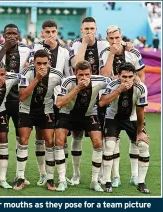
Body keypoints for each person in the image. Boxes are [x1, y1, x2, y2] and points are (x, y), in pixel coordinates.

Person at [100, 25, 145, 187]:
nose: (114, 41)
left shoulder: (133, 52)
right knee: (113, 142)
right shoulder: (105, 53)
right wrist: (112, 53)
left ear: (121, 37)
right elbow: (104, 75)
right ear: (107, 39)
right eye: (111, 39)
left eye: (117, 38)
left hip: (131, 103)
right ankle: (116, 176)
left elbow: (141, 74)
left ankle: (134, 175)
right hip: (112, 101)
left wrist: (139, 93)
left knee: (136, 141)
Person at [28, 20, 72, 186]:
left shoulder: (64, 52)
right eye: (47, 32)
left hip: (59, 100)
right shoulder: (35, 50)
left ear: (57, 32)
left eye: (53, 31)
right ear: (42, 33)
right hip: (41, 98)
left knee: (61, 137)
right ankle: (43, 174)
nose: (51, 35)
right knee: (41, 135)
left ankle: (63, 173)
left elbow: (68, 76)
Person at [55, 60, 110, 192]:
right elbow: (59, 103)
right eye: (81, 75)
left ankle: (94, 181)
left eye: (87, 74)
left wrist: (135, 78)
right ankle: (63, 179)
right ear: (75, 74)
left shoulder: (99, 80)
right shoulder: (68, 82)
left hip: (88, 113)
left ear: (91, 73)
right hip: (67, 113)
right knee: (59, 141)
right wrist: (78, 88)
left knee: (98, 142)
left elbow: (113, 81)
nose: (84, 78)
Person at [14, 49, 63, 191]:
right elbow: (22, 97)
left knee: (49, 141)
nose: (42, 66)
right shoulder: (26, 73)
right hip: (26, 109)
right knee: (23, 141)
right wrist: (37, 79)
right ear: (33, 62)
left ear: (49, 63)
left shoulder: (57, 75)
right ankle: (21, 177)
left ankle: (50, 178)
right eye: (39, 63)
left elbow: (66, 89)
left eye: (45, 63)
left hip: (46, 110)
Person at [68, 17, 109, 186]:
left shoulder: (104, 45)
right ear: (81, 29)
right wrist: (85, 44)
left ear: (96, 28)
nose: (89, 32)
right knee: (76, 135)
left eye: (92, 28)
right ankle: (76, 174)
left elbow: (107, 72)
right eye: (86, 29)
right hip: (79, 97)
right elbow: (75, 66)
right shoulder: (76, 44)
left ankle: (100, 176)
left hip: (99, 96)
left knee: (101, 138)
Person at [0, 24, 30, 185]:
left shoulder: (26, 50)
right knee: (0, 137)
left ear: (18, 35)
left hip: (19, 99)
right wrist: (5, 47)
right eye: (8, 34)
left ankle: (21, 175)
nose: (12, 36)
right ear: (3, 35)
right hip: (0, 99)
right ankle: (0, 175)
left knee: (21, 137)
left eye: (14, 33)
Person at [99, 62, 150, 194]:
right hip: (113, 118)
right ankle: (107, 181)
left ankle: (141, 182)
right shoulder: (112, 85)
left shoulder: (141, 88)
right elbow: (102, 102)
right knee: (109, 145)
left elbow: (140, 112)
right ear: (118, 76)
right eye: (124, 77)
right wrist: (119, 90)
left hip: (132, 118)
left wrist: (140, 132)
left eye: (130, 77)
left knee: (143, 145)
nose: (127, 80)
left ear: (134, 76)